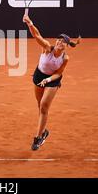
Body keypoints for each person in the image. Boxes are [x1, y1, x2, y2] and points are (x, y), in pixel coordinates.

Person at [22, 13, 81, 151]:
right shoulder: (47, 48)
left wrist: (48, 79)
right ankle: (44, 131)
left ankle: (38, 138)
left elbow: (59, 73)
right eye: (59, 40)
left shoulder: (65, 58)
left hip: (52, 80)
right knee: (39, 106)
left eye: (63, 42)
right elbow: (37, 36)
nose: (60, 42)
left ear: (66, 46)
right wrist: (30, 23)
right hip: (38, 76)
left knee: (43, 106)